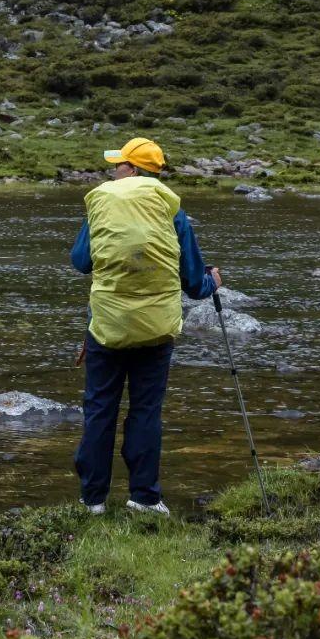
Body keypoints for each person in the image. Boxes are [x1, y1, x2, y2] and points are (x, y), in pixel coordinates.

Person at [69, 138, 222, 516]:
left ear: (132, 170)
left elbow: (80, 262)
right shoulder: (172, 210)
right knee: (146, 410)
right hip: (156, 329)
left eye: (119, 164)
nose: (114, 170)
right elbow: (191, 281)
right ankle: (144, 498)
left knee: (100, 408)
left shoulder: (103, 202)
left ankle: (92, 501)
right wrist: (213, 282)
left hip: (106, 327)